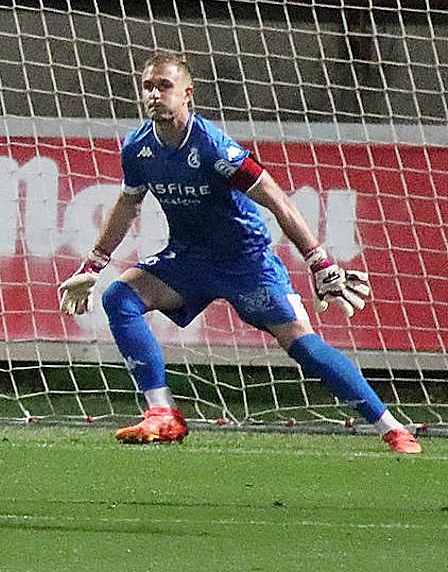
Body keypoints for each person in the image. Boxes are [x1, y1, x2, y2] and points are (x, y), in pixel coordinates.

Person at [58, 49, 421, 454]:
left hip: (246, 263)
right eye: (148, 87)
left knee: (303, 346)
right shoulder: (138, 148)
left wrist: (319, 262)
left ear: (187, 94)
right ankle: (162, 413)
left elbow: (278, 200)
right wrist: (94, 263)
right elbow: (128, 203)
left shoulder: (215, 148)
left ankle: (391, 427)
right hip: (189, 259)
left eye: (165, 86)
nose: (154, 94)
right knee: (118, 296)